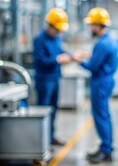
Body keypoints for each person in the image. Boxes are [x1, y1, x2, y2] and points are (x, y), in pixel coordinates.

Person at [73, 7, 118, 164]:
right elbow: (100, 59)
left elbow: (91, 66)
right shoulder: (111, 40)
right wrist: (89, 56)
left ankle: (105, 150)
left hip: (99, 81)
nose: (90, 28)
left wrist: (78, 59)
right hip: (107, 79)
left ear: (98, 25)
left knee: (100, 116)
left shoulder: (101, 44)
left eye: (91, 24)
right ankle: (106, 147)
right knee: (104, 115)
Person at [33, 8, 72, 146]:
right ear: (50, 25)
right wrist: (57, 59)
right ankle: (40, 140)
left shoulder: (57, 38)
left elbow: (61, 51)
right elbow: (41, 61)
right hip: (44, 80)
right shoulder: (39, 39)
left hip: (55, 77)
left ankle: (50, 137)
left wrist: (72, 55)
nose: (59, 32)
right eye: (57, 29)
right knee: (43, 109)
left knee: (53, 109)